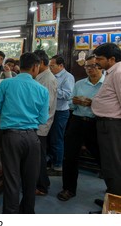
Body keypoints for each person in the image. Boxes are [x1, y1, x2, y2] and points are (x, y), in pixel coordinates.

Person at [0, 52, 49, 214]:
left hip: (11, 137)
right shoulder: (42, 90)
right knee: (30, 180)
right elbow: (43, 118)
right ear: (36, 67)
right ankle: (27, 213)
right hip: (32, 137)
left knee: (12, 180)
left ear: (20, 65)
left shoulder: (6, 84)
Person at [57, 55, 105, 201]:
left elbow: (111, 107)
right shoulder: (80, 84)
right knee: (70, 157)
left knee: (104, 158)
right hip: (77, 121)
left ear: (101, 67)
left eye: (94, 66)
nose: (90, 69)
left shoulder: (107, 84)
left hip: (96, 123)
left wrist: (92, 104)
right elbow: (71, 105)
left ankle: (113, 190)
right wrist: (76, 102)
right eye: (87, 66)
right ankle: (68, 189)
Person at [92, 43, 121, 196]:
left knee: (113, 164)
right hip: (106, 124)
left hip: (112, 125)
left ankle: (115, 203)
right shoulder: (112, 71)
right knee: (108, 163)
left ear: (112, 59)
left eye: (100, 58)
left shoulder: (118, 72)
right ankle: (111, 196)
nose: (96, 61)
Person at [33, 50, 57, 196]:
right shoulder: (41, 77)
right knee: (38, 155)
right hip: (38, 123)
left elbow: (46, 106)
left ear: (41, 63)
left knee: (39, 156)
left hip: (41, 124)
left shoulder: (47, 79)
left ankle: (42, 186)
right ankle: (43, 182)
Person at [47, 55, 75, 175]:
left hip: (61, 112)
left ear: (61, 66)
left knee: (57, 139)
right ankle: (51, 161)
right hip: (50, 111)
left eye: (52, 66)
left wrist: (52, 90)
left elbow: (68, 95)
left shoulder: (68, 77)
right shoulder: (51, 75)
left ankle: (58, 166)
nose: (50, 68)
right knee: (49, 138)